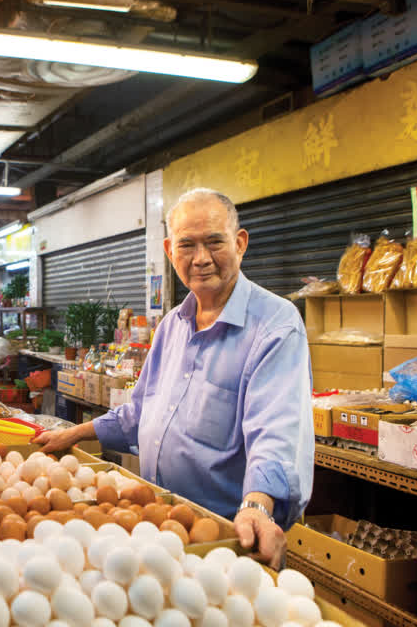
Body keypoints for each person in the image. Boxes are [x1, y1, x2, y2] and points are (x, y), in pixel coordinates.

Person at [36, 188, 314, 569]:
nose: (201, 259)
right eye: (187, 245)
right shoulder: (172, 326)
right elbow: (139, 413)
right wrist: (74, 433)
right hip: (160, 524)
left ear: (240, 243)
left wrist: (256, 506)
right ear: (170, 250)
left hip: (229, 537)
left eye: (214, 242)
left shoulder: (275, 326)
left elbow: (276, 431)